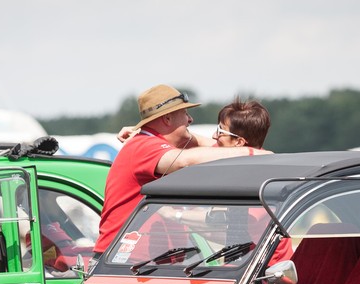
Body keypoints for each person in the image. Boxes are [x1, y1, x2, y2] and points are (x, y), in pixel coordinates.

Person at [92, 84, 271, 258]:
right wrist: (253, 152)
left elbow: (214, 148)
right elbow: (184, 161)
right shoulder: (144, 145)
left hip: (139, 262)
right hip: (123, 261)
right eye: (185, 113)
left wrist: (251, 151)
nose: (190, 119)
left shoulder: (147, 143)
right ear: (167, 119)